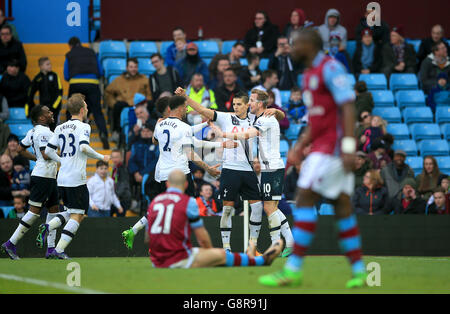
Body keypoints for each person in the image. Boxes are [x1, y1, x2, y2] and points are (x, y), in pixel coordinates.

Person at [259, 28, 366, 288]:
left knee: (305, 196)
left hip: (334, 149)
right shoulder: (307, 76)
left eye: (295, 44)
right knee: (342, 207)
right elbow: (317, 119)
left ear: (310, 44)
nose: (291, 48)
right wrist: (299, 145)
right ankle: (360, 271)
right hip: (321, 146)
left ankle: (293, 269)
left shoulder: (330, 68)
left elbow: (348, 106)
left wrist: (350, 146)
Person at [176, 88, 286, 252]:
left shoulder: (255, 118)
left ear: (248, 105)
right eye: (234, 104)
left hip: (248, 170)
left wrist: (276, 110)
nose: (235, 107)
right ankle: (226, 247)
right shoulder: (226, 117)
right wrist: (186, 97)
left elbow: (281, 118)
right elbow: (202, 110)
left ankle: (252, 246)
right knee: (227, 209)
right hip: (229, 168)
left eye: (239, 104)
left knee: (256, 208)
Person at [121, 96, 236, 250]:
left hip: (162, 174)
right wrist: (207, 168)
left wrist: (204, 126)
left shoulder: (161, 124)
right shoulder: (183, 127)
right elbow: (190, 152)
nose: (187, 110)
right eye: (185, 107)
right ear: (178, 108)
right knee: (188, 207)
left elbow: (157, 140)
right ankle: (177, 243)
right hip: (180, 174)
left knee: (162, 207)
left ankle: (135, 231)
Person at [209, 89, 294, 256]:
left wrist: (222, 134)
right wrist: (278, 111)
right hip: (270, 167)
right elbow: (281, 117)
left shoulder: (265, 120)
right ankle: (289, 242)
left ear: (260, 104)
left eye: (252, 101)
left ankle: (275, 245)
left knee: (269, 208)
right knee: (273, 207)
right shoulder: (266, 117)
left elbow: (247, 134)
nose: (250, 104)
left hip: (271, 168)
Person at [147, 169, 283, 268]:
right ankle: (261, 261)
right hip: (178, 259)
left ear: (167, 184)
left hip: (156, 261)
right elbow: (202, 237)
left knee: (206, 254)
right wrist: (211, 254)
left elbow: (148, 238)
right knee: (220, 255)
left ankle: (249, 254)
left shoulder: (155, 202)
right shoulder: (188, 202)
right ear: (186, 184)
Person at [37, 94, 110, 259]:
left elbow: (48, 151)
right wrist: (101, 157)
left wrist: (61, 159)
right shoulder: (84, 127)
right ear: (83, 109)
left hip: (61, 177)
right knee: (79, 215)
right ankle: (59, 249)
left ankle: (49, 226)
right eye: (86, 105)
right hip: (76, 178)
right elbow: (84, 147)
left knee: (71, 212)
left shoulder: (59, 127)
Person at [1, 105, 62, 260]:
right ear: (42, 118)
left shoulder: (33, 131)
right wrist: (63, 157)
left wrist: (36, 159)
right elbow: (45, 154)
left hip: (49, 176)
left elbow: (20, 149)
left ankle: (51, 249)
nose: (51, 113)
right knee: (34, 213)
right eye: (48, 112)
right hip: (43, 177)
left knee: (54, 210)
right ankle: (10, 243)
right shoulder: (43, 132)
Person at [64, 37, 109, 149]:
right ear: (80, 43)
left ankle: (69, 136)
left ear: (70, 45)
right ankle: (103, 134)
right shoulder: (92, 52)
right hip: (92, 84)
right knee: (97, 111)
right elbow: (100, 71)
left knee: (72, 110)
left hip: (76, 84)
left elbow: (66, 75)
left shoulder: (69, 54)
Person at [105, 58, 152, 141]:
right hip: (124, 104)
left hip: (140, 104)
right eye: (131, 67)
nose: (133, 69)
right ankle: (117, 132)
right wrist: (114, 103)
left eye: (135, 67)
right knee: (118, 105)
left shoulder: (144, 79)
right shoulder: (119, 80)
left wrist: (146, 102)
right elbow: (108, 92)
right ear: (127, 68)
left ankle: (151, 130)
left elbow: (149, 93)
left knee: (151, 104)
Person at [27, 57, 63, 130]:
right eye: (47, 64)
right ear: (41, 66)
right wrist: (31, 106)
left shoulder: (54, 75)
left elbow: (60, 92)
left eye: (50, 64)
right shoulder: (38, 78)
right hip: (43, 109)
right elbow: (30, 94)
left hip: (55, 109)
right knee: (44, 128)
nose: (50, 66)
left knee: (54, 128)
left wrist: (54, 107)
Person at [128, 121, 159, 189]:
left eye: (148, 131)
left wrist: (144, 173)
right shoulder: (136, 145)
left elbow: (157, 161)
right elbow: (132, 160)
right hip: (137, 174)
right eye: (143, 131)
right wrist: (136, 172)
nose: (145, 133)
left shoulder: (157, 145)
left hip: (151, 175)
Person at [111, 149, 133, 216]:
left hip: (122, 198)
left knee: (120, 218)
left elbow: (124, 183)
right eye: (113, 157)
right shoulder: (115, 168)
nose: (115, 159)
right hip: (116, 197)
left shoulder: (122, 168)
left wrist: (116, 195)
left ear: (121, 158)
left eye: (117, 157)